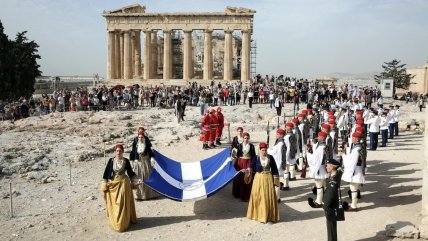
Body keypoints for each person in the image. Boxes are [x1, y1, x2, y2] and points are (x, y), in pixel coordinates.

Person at [101, 144, 141, 232]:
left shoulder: (126, 161)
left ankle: (123, 222)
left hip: (124, 183)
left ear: (122, 152)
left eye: (120, 151)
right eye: (117, 151)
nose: (118, 152)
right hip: (114, 183)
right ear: (115, 152)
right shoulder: (111, 161)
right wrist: (105, 182)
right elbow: (106, 173)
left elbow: (130, 173)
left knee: (122, 203)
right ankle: (116, 220)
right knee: (116, 204)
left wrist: (136, 180)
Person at [246, 142, 280, 223]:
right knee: (258, 196)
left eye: (265, 150)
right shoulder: (256, 158)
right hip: (258, 178)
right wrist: (248, 170)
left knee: (268, 196)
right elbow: (252, 167)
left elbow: (275, 169)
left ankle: (269, 216)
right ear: (260, 150)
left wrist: (276, 180)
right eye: (262, 150)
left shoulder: (270, 158)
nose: (264, 152)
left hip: (268, 178)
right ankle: (258, 215)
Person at [129, 129, 159, 201]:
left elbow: (151, 153)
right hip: (139, 164)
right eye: (139, 137)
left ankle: (150, 195)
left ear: (144, 138)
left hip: (146, 163)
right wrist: (132, 160)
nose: (140, 139)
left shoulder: (146, 145)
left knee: (147, 178)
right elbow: (133, 153)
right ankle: (140, 195)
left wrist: (152, 158)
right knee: (139, 179)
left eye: (141, 137)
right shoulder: (136, 145)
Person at [340, 132, 365, 211]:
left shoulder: (356, 149)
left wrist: (343, 155)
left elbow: (351, 161)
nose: (352, 139)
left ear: (356, 139)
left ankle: (354, 206)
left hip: (356, 170)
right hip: (359, 169)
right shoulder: (360, 147)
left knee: (353, 188)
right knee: (355, 188)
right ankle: (354, 204)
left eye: (353, 138)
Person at [307, 131, 330, 208]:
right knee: (323, 185)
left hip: (319, 168)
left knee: (319, 185)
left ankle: (319, 201)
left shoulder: (321, 147)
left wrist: (308, 153)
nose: (318, 137)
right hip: (323, 168)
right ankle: (324, 199)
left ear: (323, 137)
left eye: (319, 136)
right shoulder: (323, 146)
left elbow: (314, 158)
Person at [232, 132, 256, 201]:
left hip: (248, 162)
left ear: (249, 138)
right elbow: (234, 155)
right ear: (243, 138)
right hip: (240, 162)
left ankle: (246, 195)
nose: (246, 139)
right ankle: (238, 194)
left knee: (247, 177)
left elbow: (253, 156)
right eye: (245, 138)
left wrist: (251, 165)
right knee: (239, 177)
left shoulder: (251, 146)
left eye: (247, 138)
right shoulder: (239, 146)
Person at [323, 159, 343, 241]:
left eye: (328, 165)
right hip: (334, 204)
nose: (326, 167)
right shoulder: (336, 174)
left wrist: (325, 206)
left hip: (330, 205)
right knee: (332, 226)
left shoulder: (333, 180)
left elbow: (329, 195)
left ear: (332, 166)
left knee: (330, 227)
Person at [268, 129, 286, 202]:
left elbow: (272, 153)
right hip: (278, 163)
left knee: (276, 182)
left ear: (281, 135)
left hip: (277, 164)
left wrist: (268, 149)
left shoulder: (280, 144)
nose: (276, 135)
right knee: (276, 181)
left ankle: (276, 198)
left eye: (278, 134)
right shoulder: (280, 143)